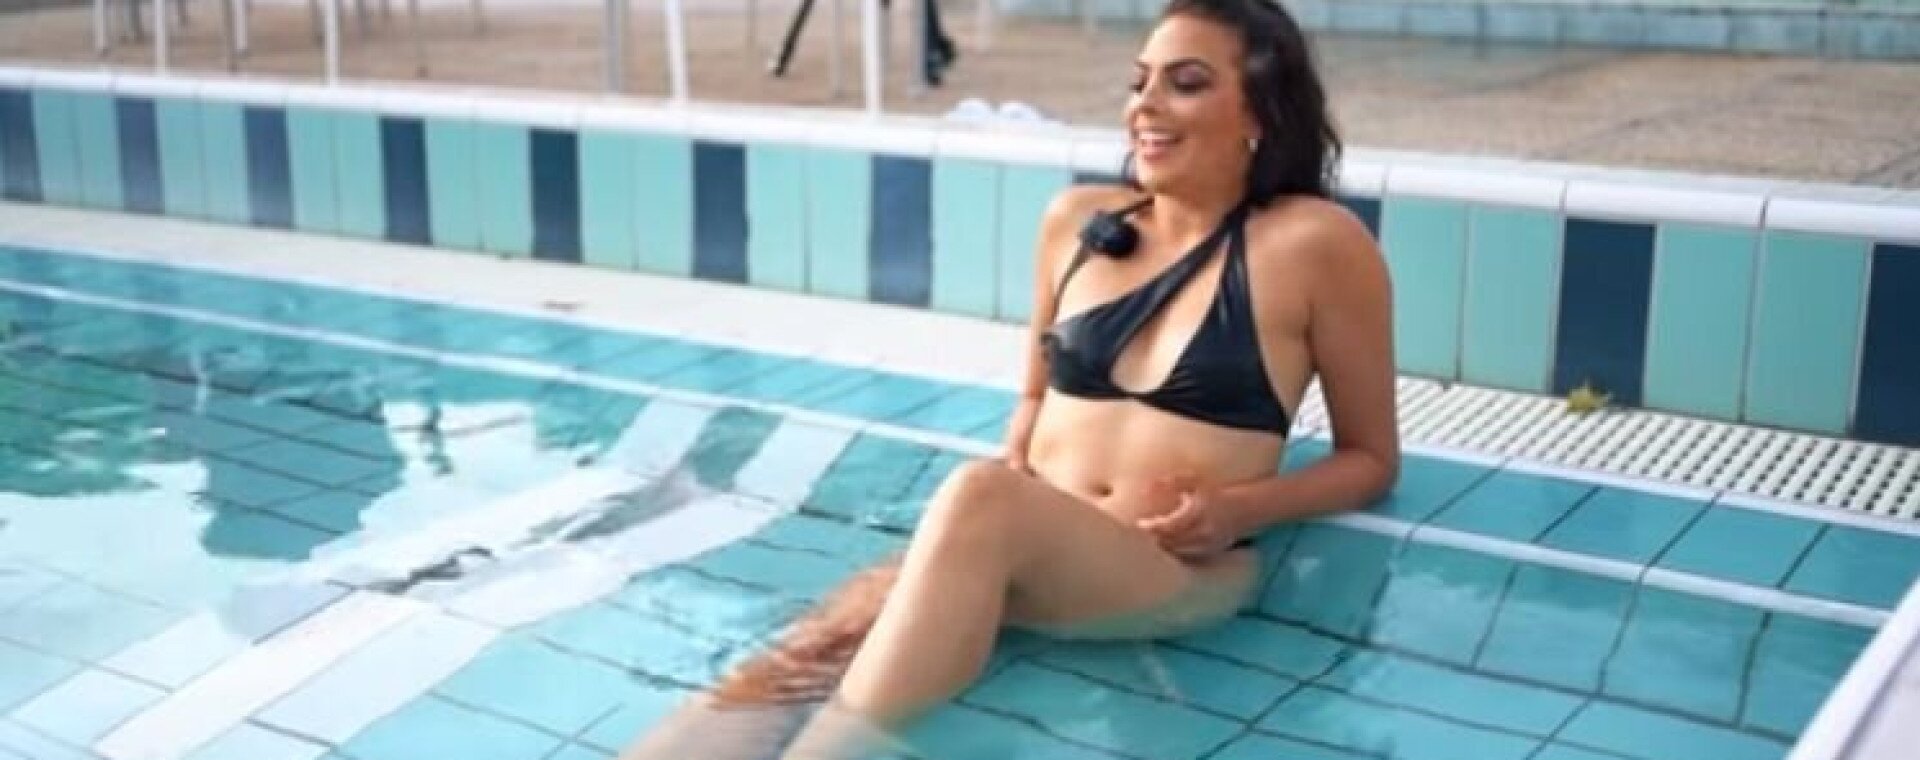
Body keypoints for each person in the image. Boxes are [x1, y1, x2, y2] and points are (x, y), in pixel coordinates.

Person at [625, 0, 1398, 756]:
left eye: (1186, 83)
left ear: (1260, 110)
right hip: (1014, 543)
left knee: (977, 498)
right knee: (812, 647)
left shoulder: (1315, 245)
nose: (1146, 105)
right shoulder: (1078, 222)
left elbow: (1371, 459)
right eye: (1139, 82)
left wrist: (1237, 509)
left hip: (1168, 568)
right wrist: (1014, 466)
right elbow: (1035, 394)